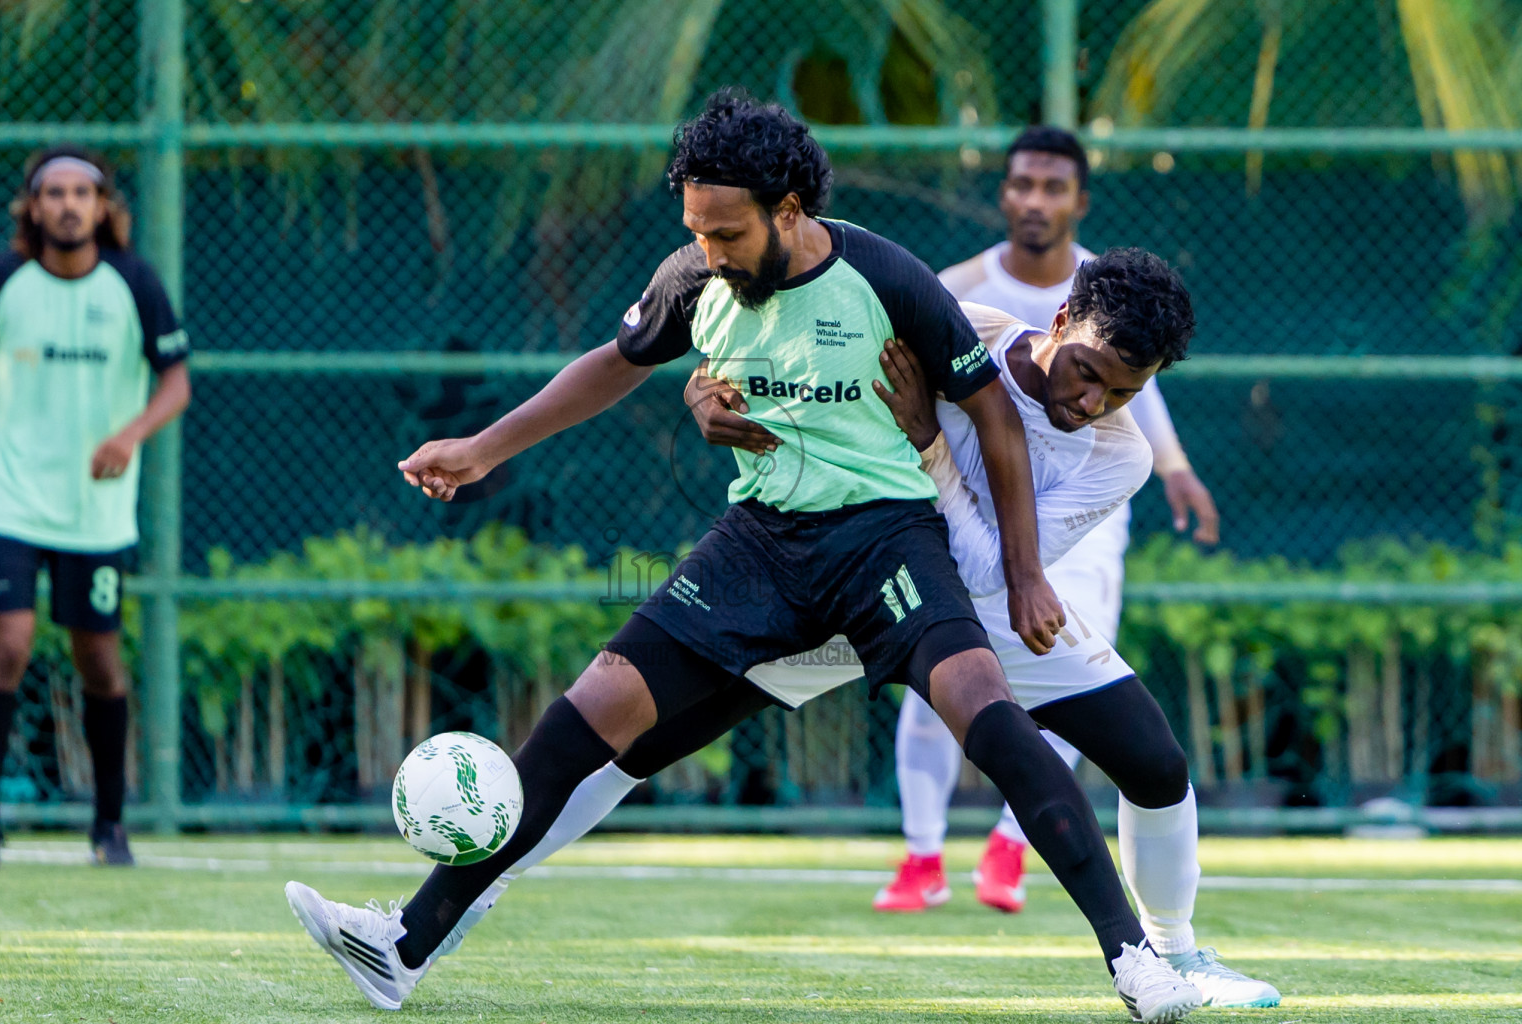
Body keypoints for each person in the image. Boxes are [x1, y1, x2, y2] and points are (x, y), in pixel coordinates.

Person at [283, 91, 1204, 1023]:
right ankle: (407, 942)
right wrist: (485, 449)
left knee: (1003, 720)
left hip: (890, 541)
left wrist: (1022, 569)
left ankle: (1143, 961)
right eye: (698, 231)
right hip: (761, 543)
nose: (710, 252)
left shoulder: (893, 280)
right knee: (598, 725)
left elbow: (995, 418)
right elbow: (617, 361)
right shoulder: (699, 278)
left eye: (726, 233)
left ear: (790, 212)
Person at [426, 254, 1277, 1014]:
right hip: (856, 583)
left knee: (1156, 763)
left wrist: (927, 446)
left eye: (1123, 392)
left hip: (986, 614)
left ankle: (1177, 954)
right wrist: (706, 388)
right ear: (1060, 322)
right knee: (640, 747)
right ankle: (476, 889)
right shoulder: (954, 325)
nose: (1093, 402)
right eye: (1089, 371)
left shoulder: (1120, 454)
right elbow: (809, 385)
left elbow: (987, 571)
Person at [876, 125, 1221, 919]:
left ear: (1079, 201)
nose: (1036, 200)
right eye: (1023, 184)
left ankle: (1017, 847)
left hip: (1070, 535)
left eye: (1054, 187)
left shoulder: (1123, 329)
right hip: (929, 534)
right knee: (927, 693)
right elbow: (874, 360)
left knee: (1095, 700)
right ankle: (923, 854)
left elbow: (1140, 396)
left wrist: (1173, 469)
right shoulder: (959, 296)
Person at [0, 146, 192, 867]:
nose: (68, 204)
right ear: (32, 207)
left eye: (83, 192)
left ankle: (108, 824)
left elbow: (176, 381)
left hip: (95, 512)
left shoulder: (134, 282)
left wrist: (131, 433)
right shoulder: (1, 280)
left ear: (104, 207)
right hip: (6, 498)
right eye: (54, 192)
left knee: (97, 657)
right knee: (7, 644)